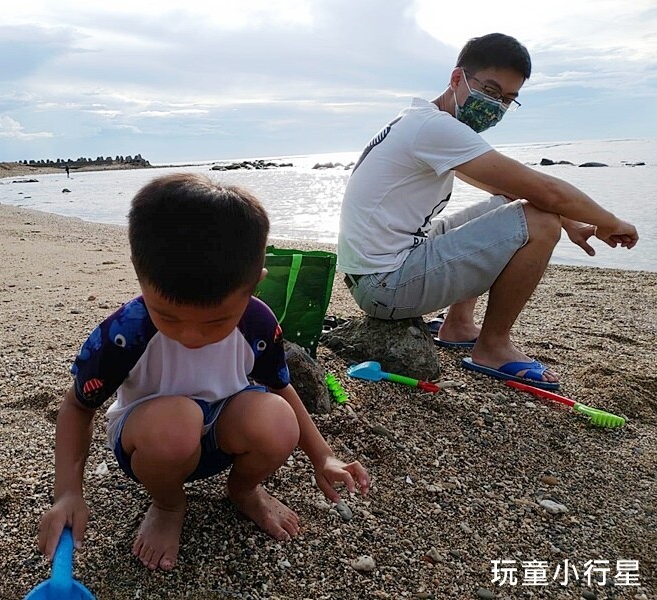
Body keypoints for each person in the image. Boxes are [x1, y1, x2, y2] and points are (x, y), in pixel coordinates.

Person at [38, 173, 370, 571]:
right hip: (152, 444)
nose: (191, 336)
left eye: (216, 322)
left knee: (279, 420)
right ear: (139, 273)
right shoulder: (126, 332)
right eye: (168, 316)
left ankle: (244, 490)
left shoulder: (257, 324)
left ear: (254, 284)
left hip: (221, 434)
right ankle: (168, 504)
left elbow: (281, 387)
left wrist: (324, 457)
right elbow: (78, 405)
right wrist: (67, 493)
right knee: (178, 422)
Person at [337, 33, 638, 391]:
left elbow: (507, 189)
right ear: (457, 79)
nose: (497, 106)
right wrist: (609, 222)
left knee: (505, 209)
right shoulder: (435, 128)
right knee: (539, 221)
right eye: (491, 91)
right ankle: (493, 346)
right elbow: (546, 190)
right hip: (385, 284)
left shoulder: (420, 119)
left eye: (508, 99)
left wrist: (572, 221)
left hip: (377, 273)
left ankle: (459, 324)